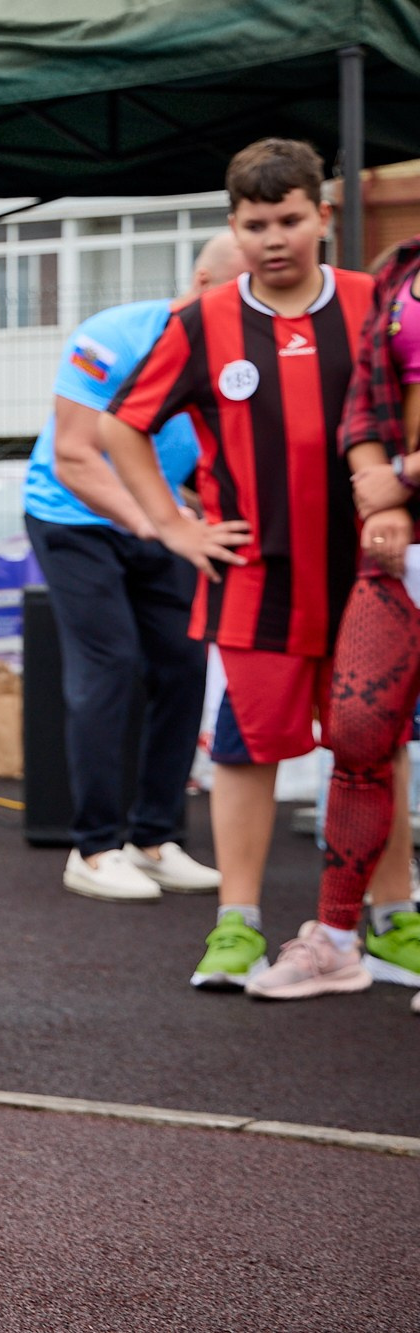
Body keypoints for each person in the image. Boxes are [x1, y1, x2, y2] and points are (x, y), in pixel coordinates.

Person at [103, 137, 383, 993]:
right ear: (235, 224)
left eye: (291, 219)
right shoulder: (204, 321)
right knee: (245, 748)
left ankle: (391, 920)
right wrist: (171, 525)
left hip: (368, 578)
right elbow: (122, 426)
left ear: (323, 217)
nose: (274, 238)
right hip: (256, 578)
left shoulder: (377, 305)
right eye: (256, 223)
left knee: (372, 748)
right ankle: (238, 924)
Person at [20, 236, 247, 908]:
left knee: (183, 662)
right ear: (203, 279)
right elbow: (74, 456)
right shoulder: (112, 336)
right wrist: (158, 521)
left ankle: (153, 838)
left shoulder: (236, 355)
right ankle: (92, 848)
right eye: (239, 295)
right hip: (73, 515)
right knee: (111, 663)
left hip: (161, 512)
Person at [271, 232, 420, 1009]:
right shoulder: (402, 267)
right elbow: (365, 398)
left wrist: (397, 480)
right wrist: (378, 486)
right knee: (359, 729)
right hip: (397, 549)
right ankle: (336, 937)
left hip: (400, 509)